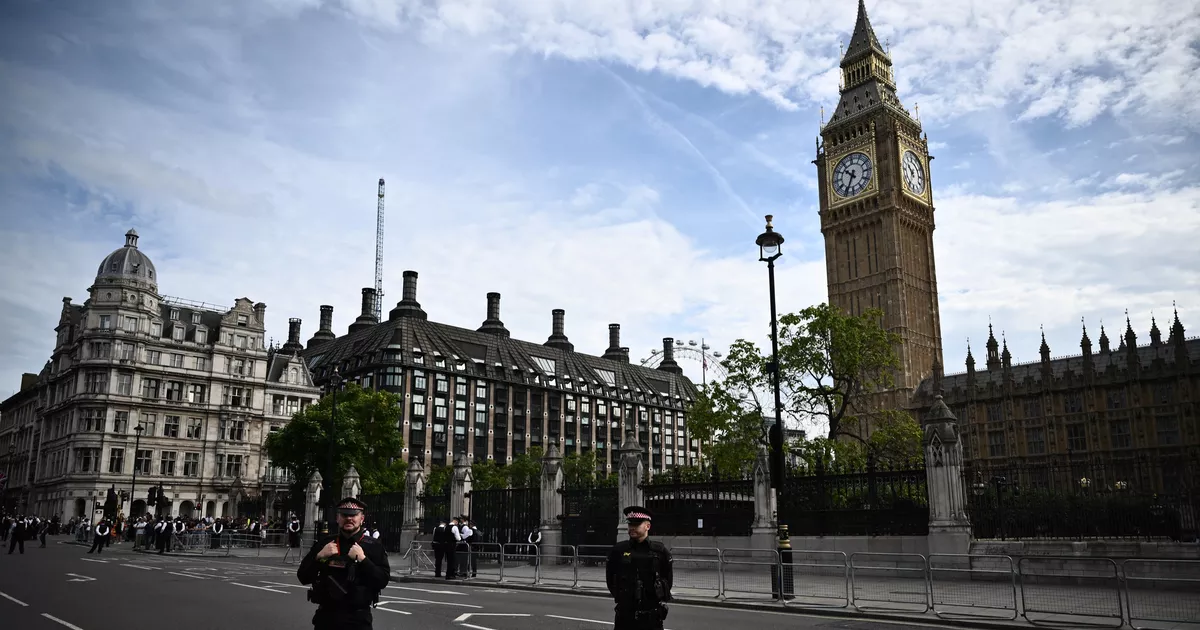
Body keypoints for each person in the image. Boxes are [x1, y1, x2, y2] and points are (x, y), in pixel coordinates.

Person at [297, 497, 391, 630]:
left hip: (357, 620)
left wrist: (363, 560)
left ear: (362, 519)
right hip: (326, 618)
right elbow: (303, 577)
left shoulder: (373, 546)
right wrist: (319, 557)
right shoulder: (325, 543)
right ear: (337, 518)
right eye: (344, 515)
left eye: (353, 515)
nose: (349, 519)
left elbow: (382, 580)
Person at [606, 506, 673, 630]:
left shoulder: (660, 551)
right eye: (630, 524)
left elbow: (668, 580)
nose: (632, 527)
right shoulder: (618, 550)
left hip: (651, 617)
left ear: (648, 526)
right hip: (625, 617)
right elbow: (610, 579)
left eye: (636, 525)